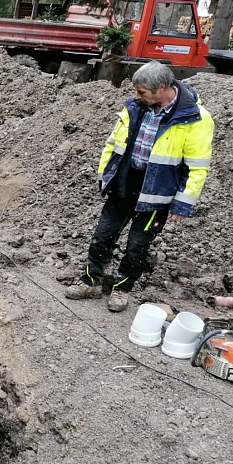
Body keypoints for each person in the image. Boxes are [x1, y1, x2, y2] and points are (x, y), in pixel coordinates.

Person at [65, 61, 214, 312]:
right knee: (102, 236)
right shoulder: (136, 107)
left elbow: (197, 167)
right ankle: (91, 282)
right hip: (124, 185)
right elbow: (112, 144)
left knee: (136, 246)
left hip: (157, 196)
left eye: (142, 92)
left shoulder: (195, 119)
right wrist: (106, 175)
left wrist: (183, 202)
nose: (136, 96)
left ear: (162, 88)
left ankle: (122, 289)